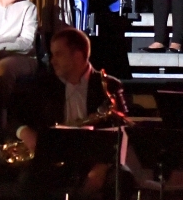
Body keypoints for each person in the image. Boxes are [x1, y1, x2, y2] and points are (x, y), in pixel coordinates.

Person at [12, 28, 125, 195]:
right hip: (53, 160)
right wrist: (24, 131)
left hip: (95, 161)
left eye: (58, 54)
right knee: (28, 180)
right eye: (52, 54)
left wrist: (102, 166)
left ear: (78, 56)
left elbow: (123, 132)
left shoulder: (108, 86)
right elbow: (14, 115)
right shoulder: (44, 84)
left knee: (120, 180)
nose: (52, 61)